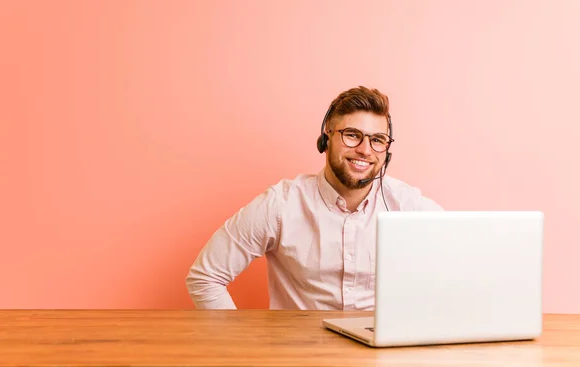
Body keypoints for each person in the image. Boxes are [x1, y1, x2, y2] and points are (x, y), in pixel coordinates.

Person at [186, 86, 442, 310]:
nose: (365, 150)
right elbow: (205, 277)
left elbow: (465, 263)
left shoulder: (407, 204)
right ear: (325, 139)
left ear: (387, 151)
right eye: (352, 135)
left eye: (377, 140)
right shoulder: (281, 204)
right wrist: (238, 347)